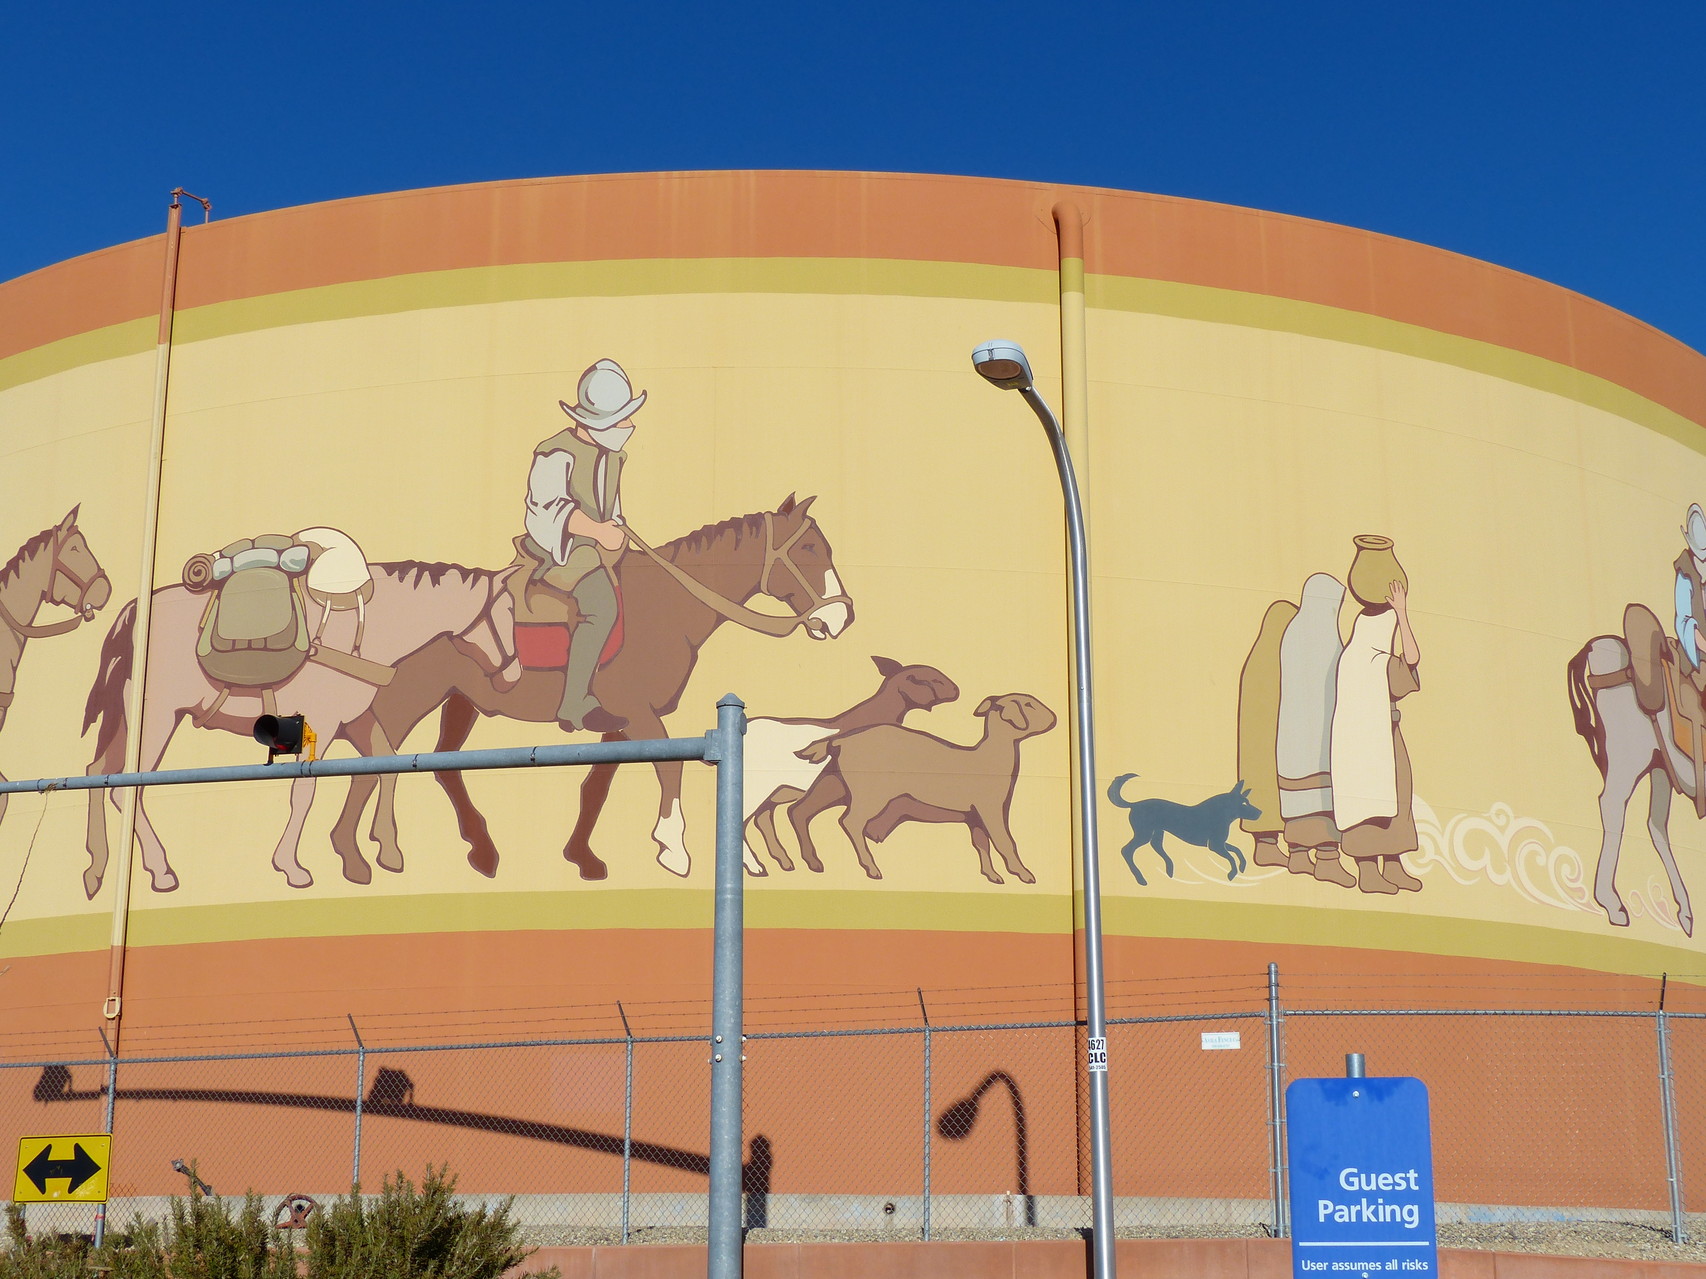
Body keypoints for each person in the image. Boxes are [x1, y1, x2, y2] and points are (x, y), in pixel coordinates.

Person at [522, 359, 642, 733]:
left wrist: (617, 529)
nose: (629, 426)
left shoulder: (613, 456)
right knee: (602, 607)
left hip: (599, 546)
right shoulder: (555, 452)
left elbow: (610, 507)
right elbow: (547, 509)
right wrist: (597, 531)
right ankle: (575, 703)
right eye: (621, 419)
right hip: (558, 550)